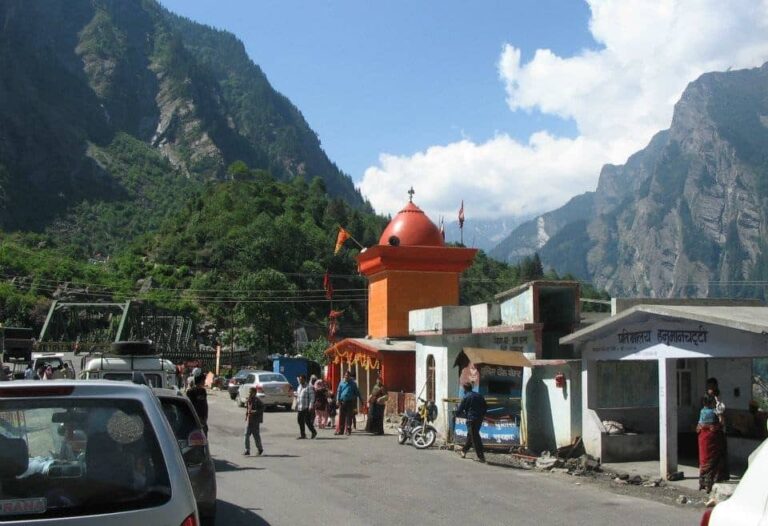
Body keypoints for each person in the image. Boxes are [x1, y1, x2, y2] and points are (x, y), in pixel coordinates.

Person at [697, 394, 728, 492]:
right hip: (712, 439)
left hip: (703, 439)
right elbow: (721, 423)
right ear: (711, 402)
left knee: (704, 460)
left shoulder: (702, 411)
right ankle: (709, 483)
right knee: (713, 460)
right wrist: (721, 414)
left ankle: (702, 482)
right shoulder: (714, 412)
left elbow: (700, 425)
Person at [456, 382, 487, 463]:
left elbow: (459, 410)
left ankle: (481, 456)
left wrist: (457, 414)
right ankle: (464, 451)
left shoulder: (466, 397)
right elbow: (485, 407)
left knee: (475, 437)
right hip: (479, 419)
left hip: (471, 419)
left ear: (465, 389)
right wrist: (481, 415)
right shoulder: (479, 395)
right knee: (471, 435)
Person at [336, 371, 363, 435]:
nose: (346, 377)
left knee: (349, 416)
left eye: (348, 376)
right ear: (344, 376)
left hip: (350, 402)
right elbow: (338, 391)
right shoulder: (341, 382)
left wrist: (361, 400)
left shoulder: (353, 383)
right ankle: (341, 431)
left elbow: (357, 392)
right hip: (342, 401)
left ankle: (348, 430)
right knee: (342, 417)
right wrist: (337, 400)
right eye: (345, 375)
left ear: (350, 376)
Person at [244, 387, 264, 456]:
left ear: (254, 393)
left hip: (255, 421)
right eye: (249, 392)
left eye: (251, 392)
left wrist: (255, 411)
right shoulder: (248, 400)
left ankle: (260, 449)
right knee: (246, 435)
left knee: (256, 436)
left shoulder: (257, 400)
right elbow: (247, 409)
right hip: (249, 420)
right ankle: (247, 450)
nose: (249, 393)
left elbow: (262, 408)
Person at [295, 375, 317, 439]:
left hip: (306, 407)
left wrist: (311, 406)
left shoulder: (309, 387)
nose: (300, 380)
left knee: (307, 421)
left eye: (301, 379)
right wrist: (296, 405)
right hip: (300, 407)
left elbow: (312, 397)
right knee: (300, 420)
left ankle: (313, 432)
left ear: (304, 380)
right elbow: (298, 396)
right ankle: (303, 435)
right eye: (300, 379)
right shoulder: (299, 387)